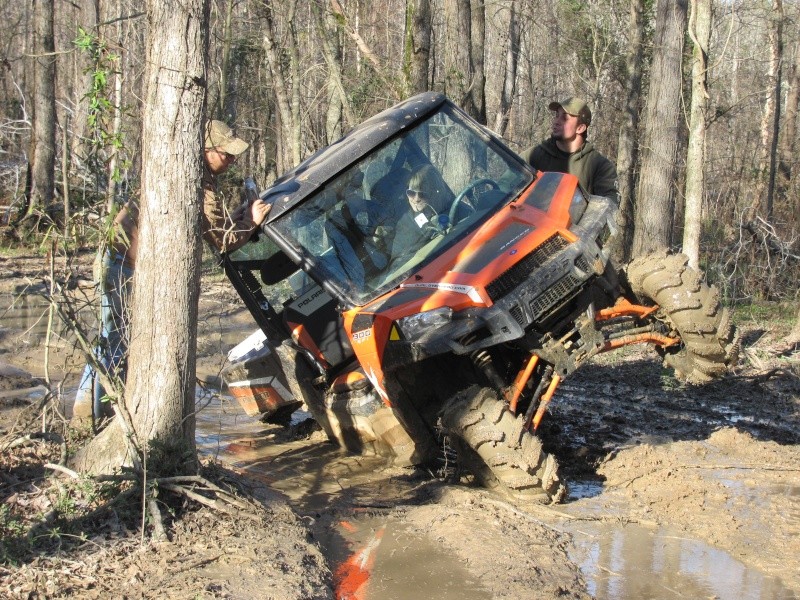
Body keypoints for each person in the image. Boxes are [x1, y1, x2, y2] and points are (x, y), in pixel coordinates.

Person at [73, 120, 270, 423]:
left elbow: (214, 226)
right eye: (226, 153)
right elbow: (221, 239)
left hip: (118, 258)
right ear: (206, 151)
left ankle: (88, 412)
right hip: (122, 263)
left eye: (233, 155)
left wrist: (239, 219)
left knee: (110, 338)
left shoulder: (186, 168)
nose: (231, 160)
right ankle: (99, 417)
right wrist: (252, 222)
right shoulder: (196, 180)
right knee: (116, 342)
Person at [521, 98, 618, 204]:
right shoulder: (535, 154)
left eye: (565, 118)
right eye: (557, 115)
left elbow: (608, 206)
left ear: (580, 128)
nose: (556, 122)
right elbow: (507, 183)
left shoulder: (599, 166)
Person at [390, 164, 453, 262]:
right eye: (411, 193)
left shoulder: (454, 207)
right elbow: (398, 263)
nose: (415, 199)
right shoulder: (406, 224)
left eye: (422, 194)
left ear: (436, 192)